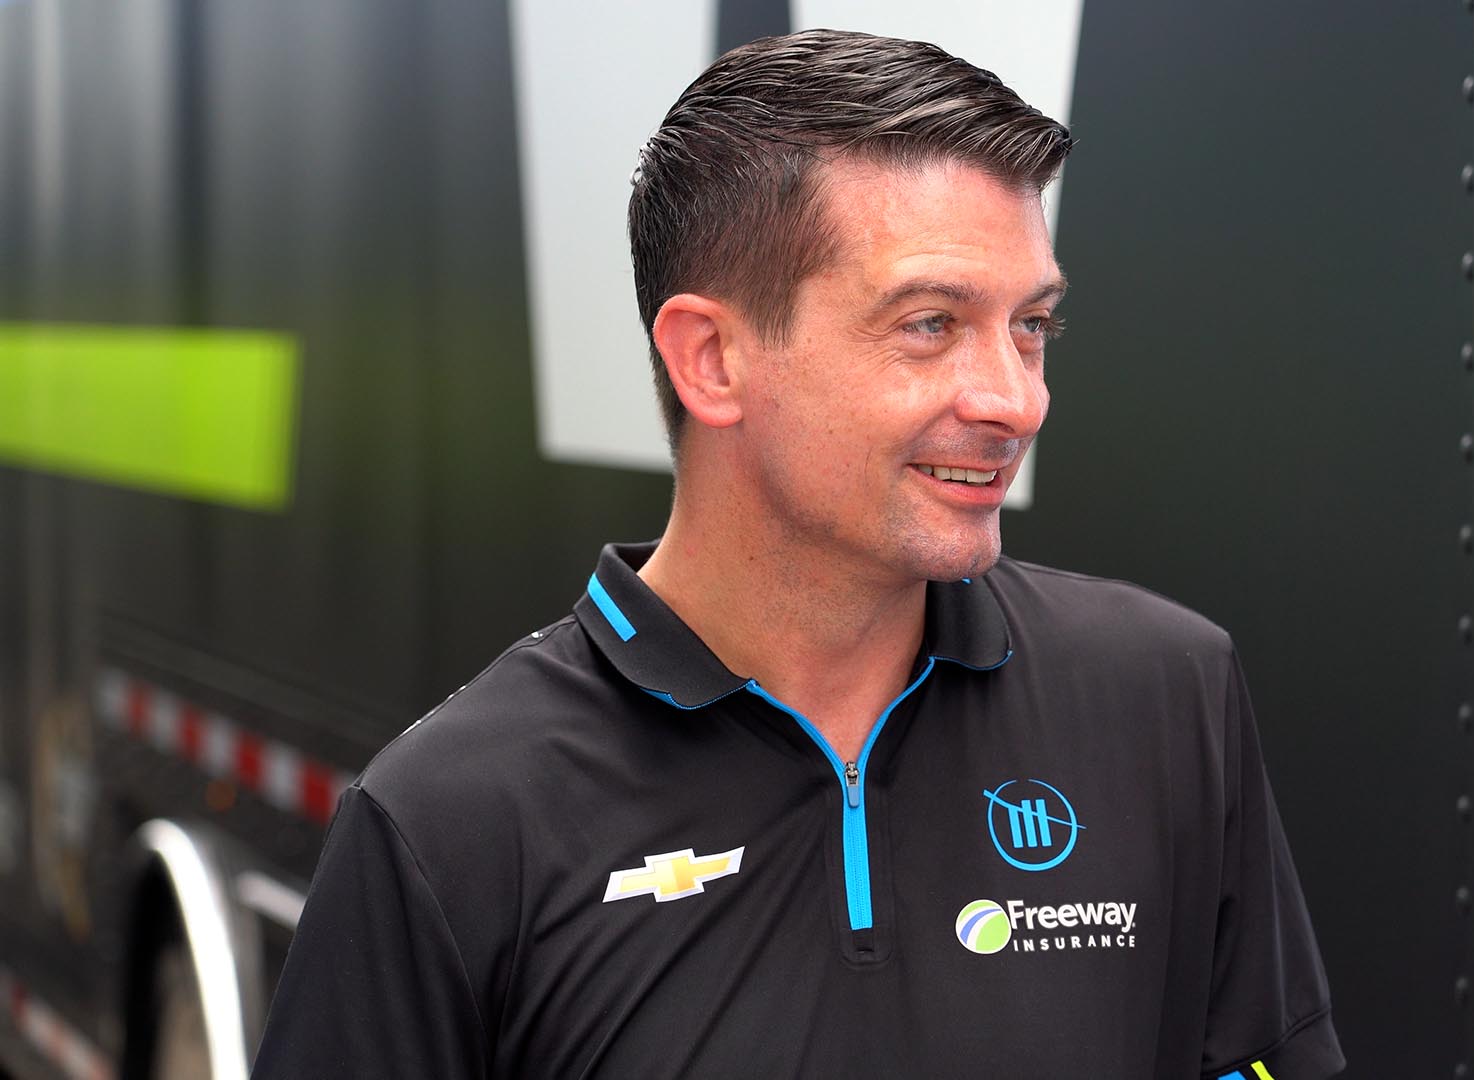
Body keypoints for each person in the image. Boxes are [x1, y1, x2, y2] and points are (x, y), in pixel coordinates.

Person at [252, 30, 1342, 1079]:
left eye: (1031, 326)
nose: (1016, 400)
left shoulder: (1165, 694)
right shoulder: (454, 818)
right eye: (930, 323)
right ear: (712, 359)